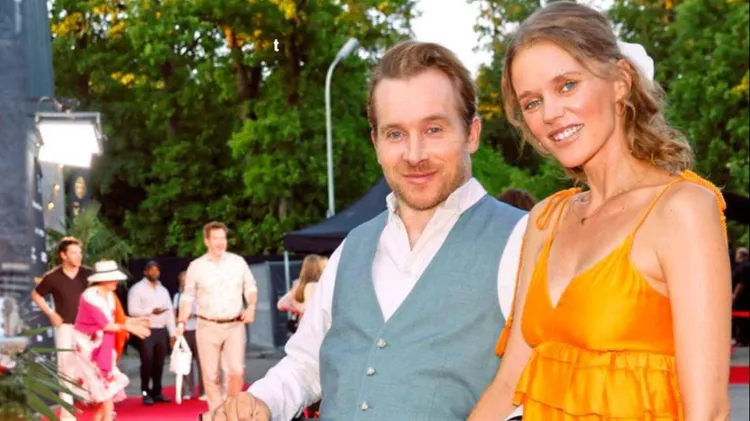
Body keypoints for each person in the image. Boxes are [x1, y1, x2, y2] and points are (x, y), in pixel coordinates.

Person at [201, 40, 528, 421]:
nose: (414, 154)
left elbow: (534, 391)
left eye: (433, 129)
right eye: (395, 134)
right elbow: (307, 363)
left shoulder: (523, 240)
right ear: (376, 143)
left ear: (472, 133)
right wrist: (263, 400)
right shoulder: (352, 246)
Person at [468, 3, 732, 420]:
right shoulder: (546, 219)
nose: (550, 114)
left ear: (620, 82)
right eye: (532, 102)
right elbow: (508, 383)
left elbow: (709, 412)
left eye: (567, 85)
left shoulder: (681, 210)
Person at [176, 221, 258, 412]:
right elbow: (188, 296)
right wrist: (181, 321)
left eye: (223, 238)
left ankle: (230, 408)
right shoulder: (196, 266)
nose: (220, 242)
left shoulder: (238, 262)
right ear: (207, 241)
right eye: (215, 239)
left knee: (236, 371)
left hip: (234, 325)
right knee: (211, 375)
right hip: (207, 325)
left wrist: (251, 306)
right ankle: (216, 412)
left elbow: (250, 287)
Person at [70, 260, 151, 421]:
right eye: (113, 278)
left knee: (107, 388)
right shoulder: (90, 296)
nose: (116, 282)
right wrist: (130, 328)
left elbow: (115, 318)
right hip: (88, 347)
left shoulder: (110, 296)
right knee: (106, 387)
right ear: (103, 280)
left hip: (103, 344)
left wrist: (133, 321)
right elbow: (106, 324)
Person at [30, 237, 93, 421]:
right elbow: (36, 294)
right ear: (63, 255)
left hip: (87, 328)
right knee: (66, 369)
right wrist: (51, 313)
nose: (79, 256)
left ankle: (102, 406)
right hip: (65, 327)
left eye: (80, 252)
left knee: (93, 366)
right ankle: (67, 414)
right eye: (74, 253)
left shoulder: (88, 274)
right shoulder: (53, 277)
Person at [127, 260, 176, 405]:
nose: (154, 272)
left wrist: (172, 333)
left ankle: (157, 392)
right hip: (146, 330)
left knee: (159, 363)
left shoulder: (163, 290)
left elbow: (170, 313)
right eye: (151, 270)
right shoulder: (137, 289)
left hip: (161, 330)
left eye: (157, 270)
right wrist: (150, 311)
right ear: (145, 272)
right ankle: (145, 393)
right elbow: (132, 310)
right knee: (147, 361)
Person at [173, 270, 204, 400]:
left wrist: (194, 314)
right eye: (183, 280)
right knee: (185, 362)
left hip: (199, 330)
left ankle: (204, 391)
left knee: (203, 363)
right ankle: (187, 391)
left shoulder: (200, 296)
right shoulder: (178, 297)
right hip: (185, 332)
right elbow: (174, 314)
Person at [732, 247, 749, 345]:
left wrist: (734, 295)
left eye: (737, 254)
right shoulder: (743, 266)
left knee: (741, 319)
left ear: (741, 255)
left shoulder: (744, 267)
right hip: (743, 297)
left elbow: (741, 283)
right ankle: (741, 338)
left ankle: (743, 339)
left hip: (743, 297)